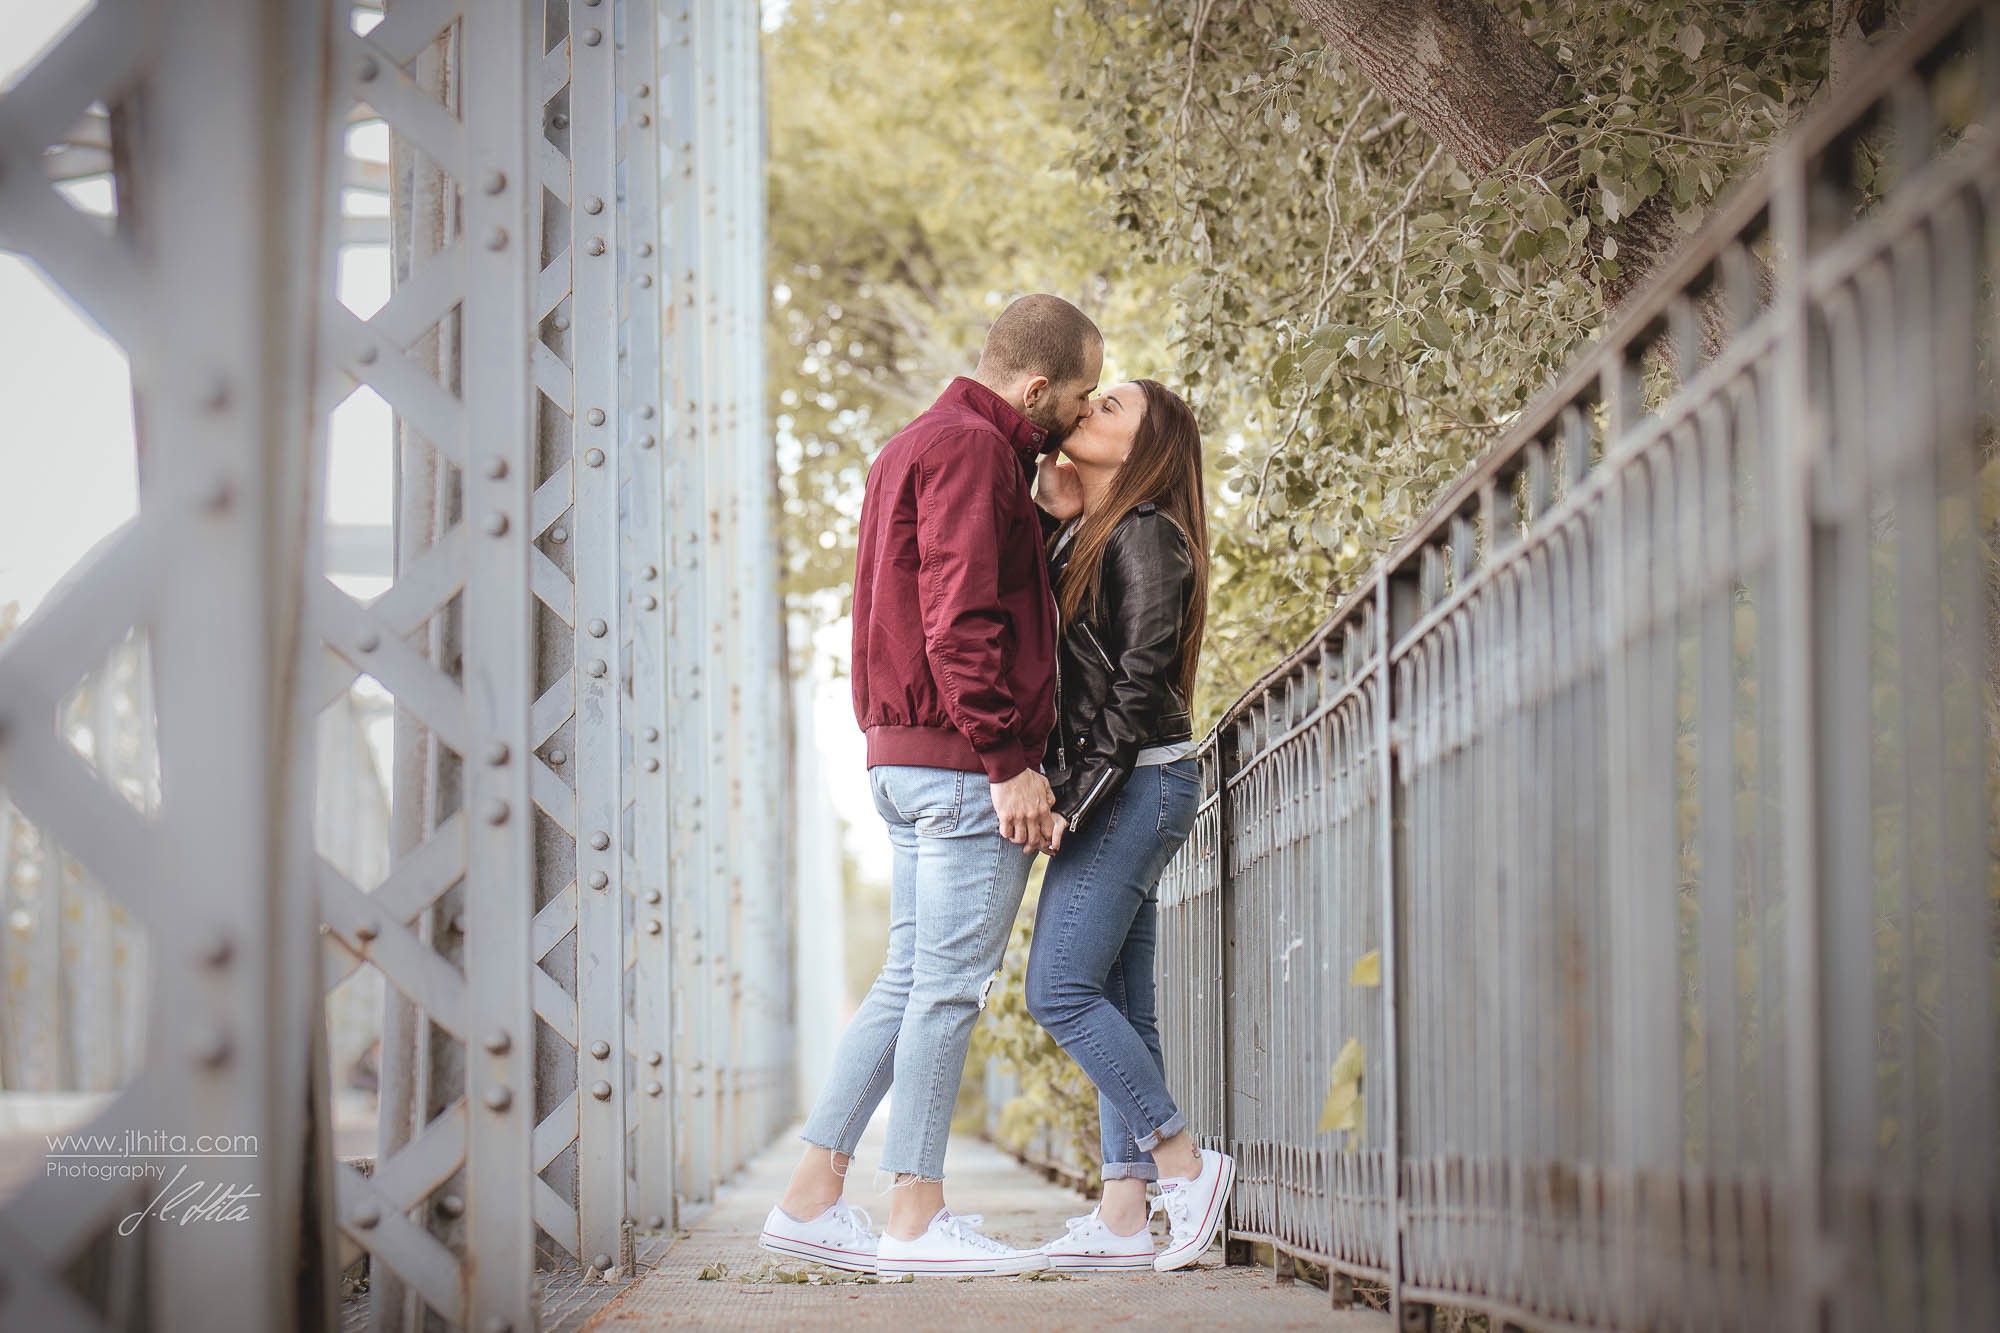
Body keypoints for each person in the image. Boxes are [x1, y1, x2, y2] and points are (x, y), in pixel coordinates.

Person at [759, 294, 1103, 1278]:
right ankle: (914, 1215)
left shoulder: (918, 442)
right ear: (1034, 389)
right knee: (947, 987)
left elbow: (951, 590)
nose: (1080, 417)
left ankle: (811, 1196)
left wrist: (1040, 524)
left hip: (905, 755)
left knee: (911, 977)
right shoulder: (973, 449)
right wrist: (1010, 763)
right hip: (961, 763)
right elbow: (958, 622)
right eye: (1077, 397)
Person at [1023, 378, 1235, 1273]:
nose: (1088, 412)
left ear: (1146, 447)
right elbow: (1059, 640)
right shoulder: (1102, 530)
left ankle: (1186, 1166)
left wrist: (1072, 795)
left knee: (1058, 989)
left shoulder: (1150, 534)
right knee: (1116, 1002)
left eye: (1111, 407)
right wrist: (1050, 520)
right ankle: (1121, 1214)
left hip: (1133, 784)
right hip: (1134, 783)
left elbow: (1138, 683)